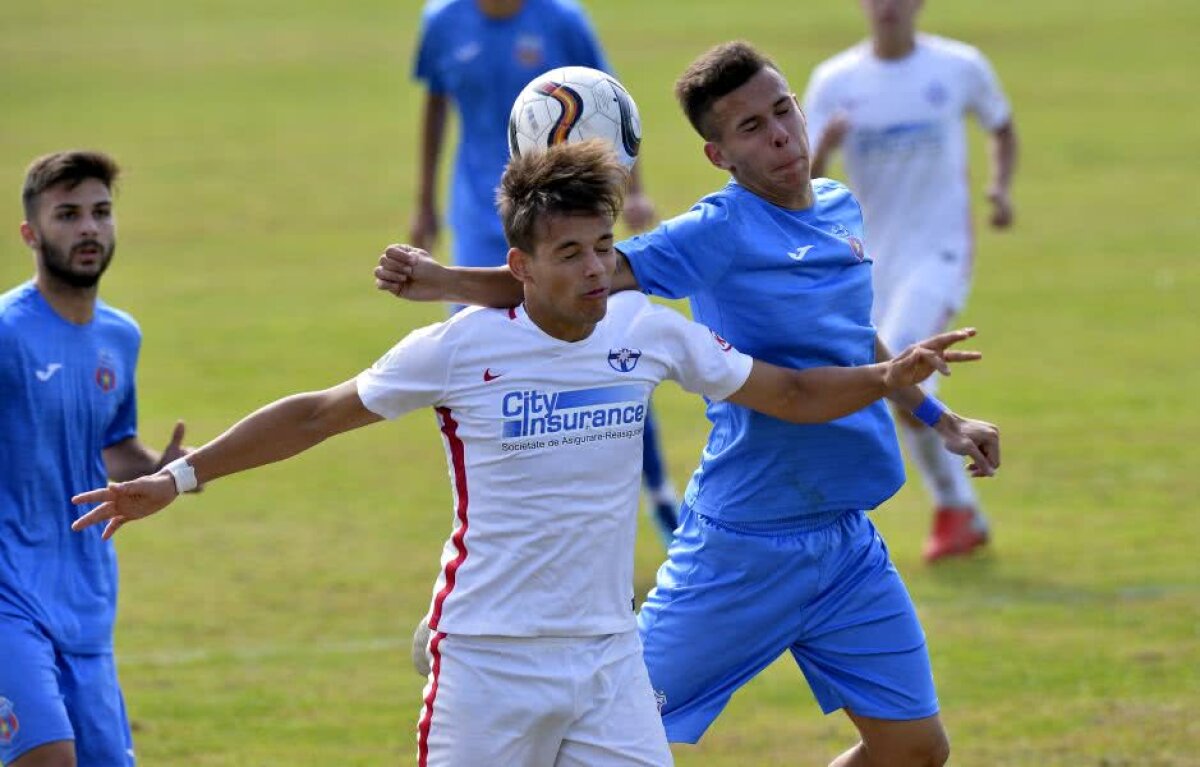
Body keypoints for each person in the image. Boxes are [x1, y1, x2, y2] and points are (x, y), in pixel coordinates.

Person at [74, 141, 980, 767]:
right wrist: (176, 478)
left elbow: (786, 392)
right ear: (521, 264)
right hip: (485, 659)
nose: (594, 269)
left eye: (604, 249)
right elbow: (316, 414)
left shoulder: (646, 333)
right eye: (571, 253)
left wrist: (889, 374)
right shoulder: (462, 347)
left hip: (605, 659)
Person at [375, 42, 1002, 767]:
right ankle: (456, 637)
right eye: (749, 128)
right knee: (597, 728)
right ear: (718, 155)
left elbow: (859, 339)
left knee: (914, 751)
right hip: (744, 546)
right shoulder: (717, 230)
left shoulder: (837, 207)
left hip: (846, 544)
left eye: (782, 110)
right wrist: (442, 278)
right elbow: (581, 278)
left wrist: (942, 418)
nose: (778, 135)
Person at [410, 0, 680, 543]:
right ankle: (512, 520)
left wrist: (636, 191)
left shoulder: (562, 21)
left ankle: (657, 493)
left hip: (566, 229)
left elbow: (610, 107)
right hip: (482, 224)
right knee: (489, 373)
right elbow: (436, 103)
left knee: (611, 359)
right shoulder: (442, 22)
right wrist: (425, 202)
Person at [803, 0, 1018, 562]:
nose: (888, 6)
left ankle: (953, 510)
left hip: (940, 250)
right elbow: (801, 183)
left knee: (899, 368)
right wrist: (823, 148)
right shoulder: (835, 79)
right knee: (894, 378)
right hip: (873, 259)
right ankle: (962, 511)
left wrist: (999, 189)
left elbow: (1001, 125)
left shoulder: (958, 66)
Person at [0, 150, 194, 767]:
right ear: (31, 233)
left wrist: (161, 469)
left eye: (100, 213)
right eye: (68, 215)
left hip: (85, 601)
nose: (88, 228)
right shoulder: (6, 333)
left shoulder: (120, 335)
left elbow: (111, 446)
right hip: (9, 596)